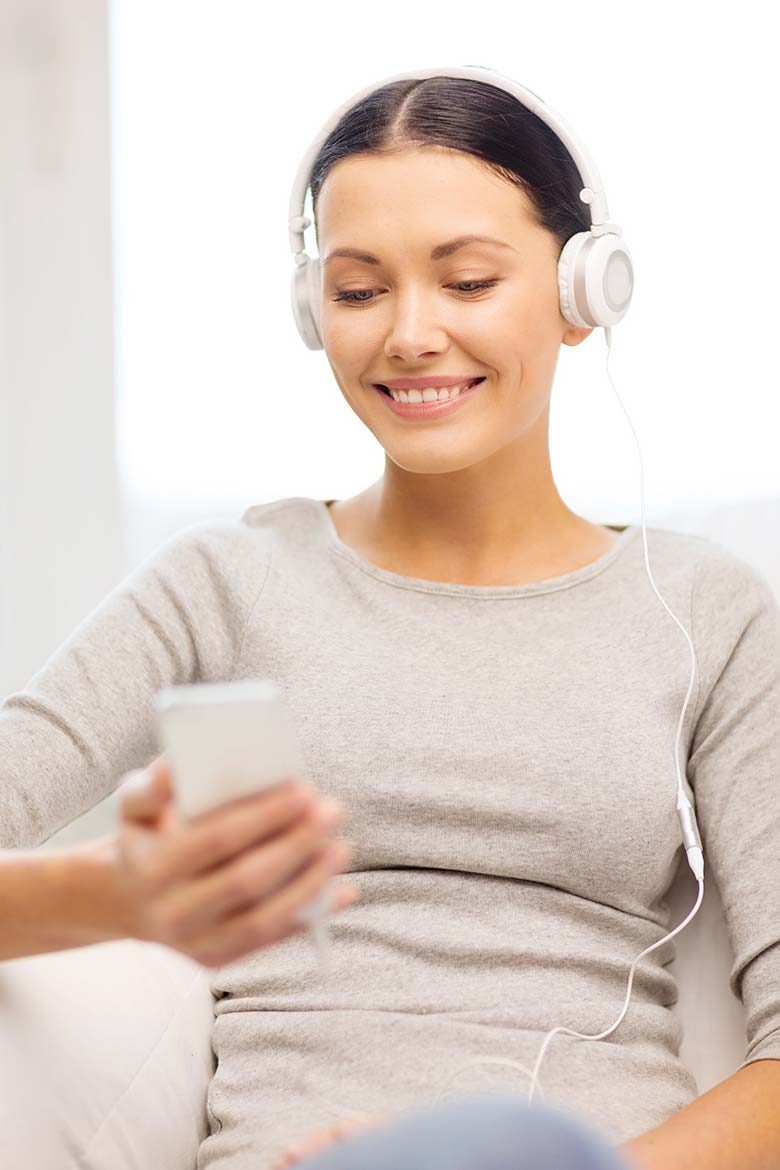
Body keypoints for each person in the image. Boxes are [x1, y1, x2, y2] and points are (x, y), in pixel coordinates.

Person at [2, 72, 779, 1170]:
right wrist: (117, 892)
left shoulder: (708, 613)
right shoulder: (227, 583)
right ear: (312, 311)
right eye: (361, 292)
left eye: (465, 281)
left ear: (581, 290)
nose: (411, 335)